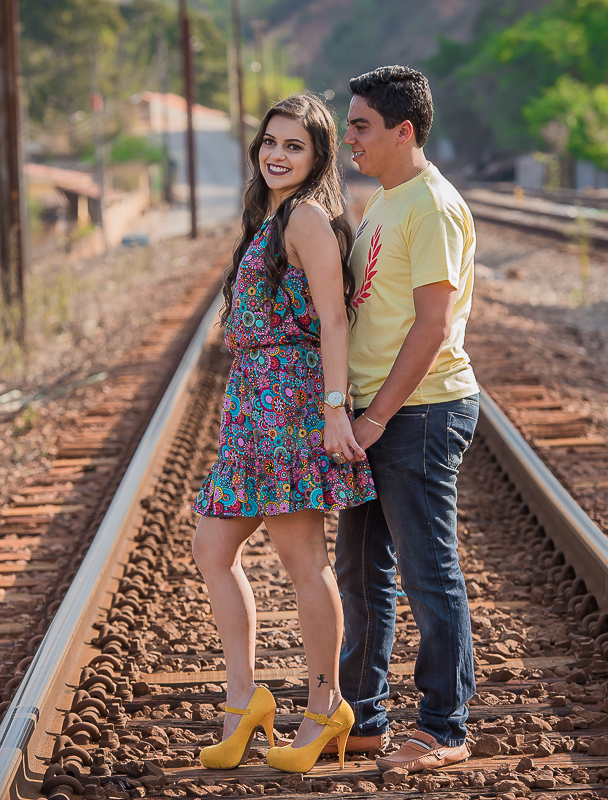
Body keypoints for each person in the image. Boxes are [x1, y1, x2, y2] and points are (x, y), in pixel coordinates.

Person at [191, 93, 377, 774]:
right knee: (212, 547)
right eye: (271, 141)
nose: (277, 154)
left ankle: (325, 703)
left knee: (303, 562)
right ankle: (245, 700)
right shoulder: (267, 216)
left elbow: (334, 319)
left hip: (292, 406)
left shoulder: (305, 219)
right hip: (252, 408)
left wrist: (334, 411)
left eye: (294, 146)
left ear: (318, 156)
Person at [335, 65, 481, 773]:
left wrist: (377, 417)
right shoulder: (387, 200)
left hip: (418, 414)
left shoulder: (431, 205)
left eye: (360, 126)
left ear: (404, 130)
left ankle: (444, 729)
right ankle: (361, 719)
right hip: (377, 415)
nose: (348, 138)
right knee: (361, 572)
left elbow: (431, 324)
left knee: (428, 572)